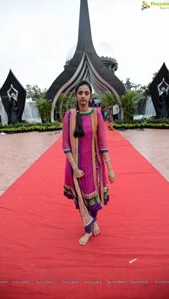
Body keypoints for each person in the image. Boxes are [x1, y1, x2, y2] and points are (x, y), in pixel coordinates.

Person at [62, 80, 115, 246]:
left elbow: (102, 142)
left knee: (93, 196)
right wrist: (74, 167)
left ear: (90, 95)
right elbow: (65, 144)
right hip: (76, 165)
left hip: (94, 164)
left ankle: (91, 224)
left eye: (86, 93)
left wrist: (110, 168)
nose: (83, 96)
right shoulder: (69, 116)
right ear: (76, 95)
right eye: (80, 93)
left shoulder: (96, 114)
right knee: (81, 197)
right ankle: (88, 229)